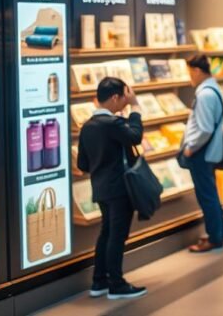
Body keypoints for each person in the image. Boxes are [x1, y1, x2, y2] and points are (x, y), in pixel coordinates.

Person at [76, 77, 146, 300]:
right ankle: (117, 284)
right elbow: (136, 136)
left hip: (100, 188)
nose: (126, 102)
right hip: (119, 188)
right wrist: (135, 109)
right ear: (115, 97)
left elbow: (82, 164)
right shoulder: (112, 124)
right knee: (117, 235)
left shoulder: (87, 126)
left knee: (106, 233)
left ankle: (99, 282)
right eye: (125, 98)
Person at [181, 54, 223, 253]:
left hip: (201, 152)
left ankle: (214, 238)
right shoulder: (214, 89)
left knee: (206, 196)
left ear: (197, 71)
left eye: (190, 72)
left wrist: (190, 147)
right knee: (211, 194)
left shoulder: (204, 94)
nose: (189, 77)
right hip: (210, 150)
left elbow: (204, 128)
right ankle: (220, 233)